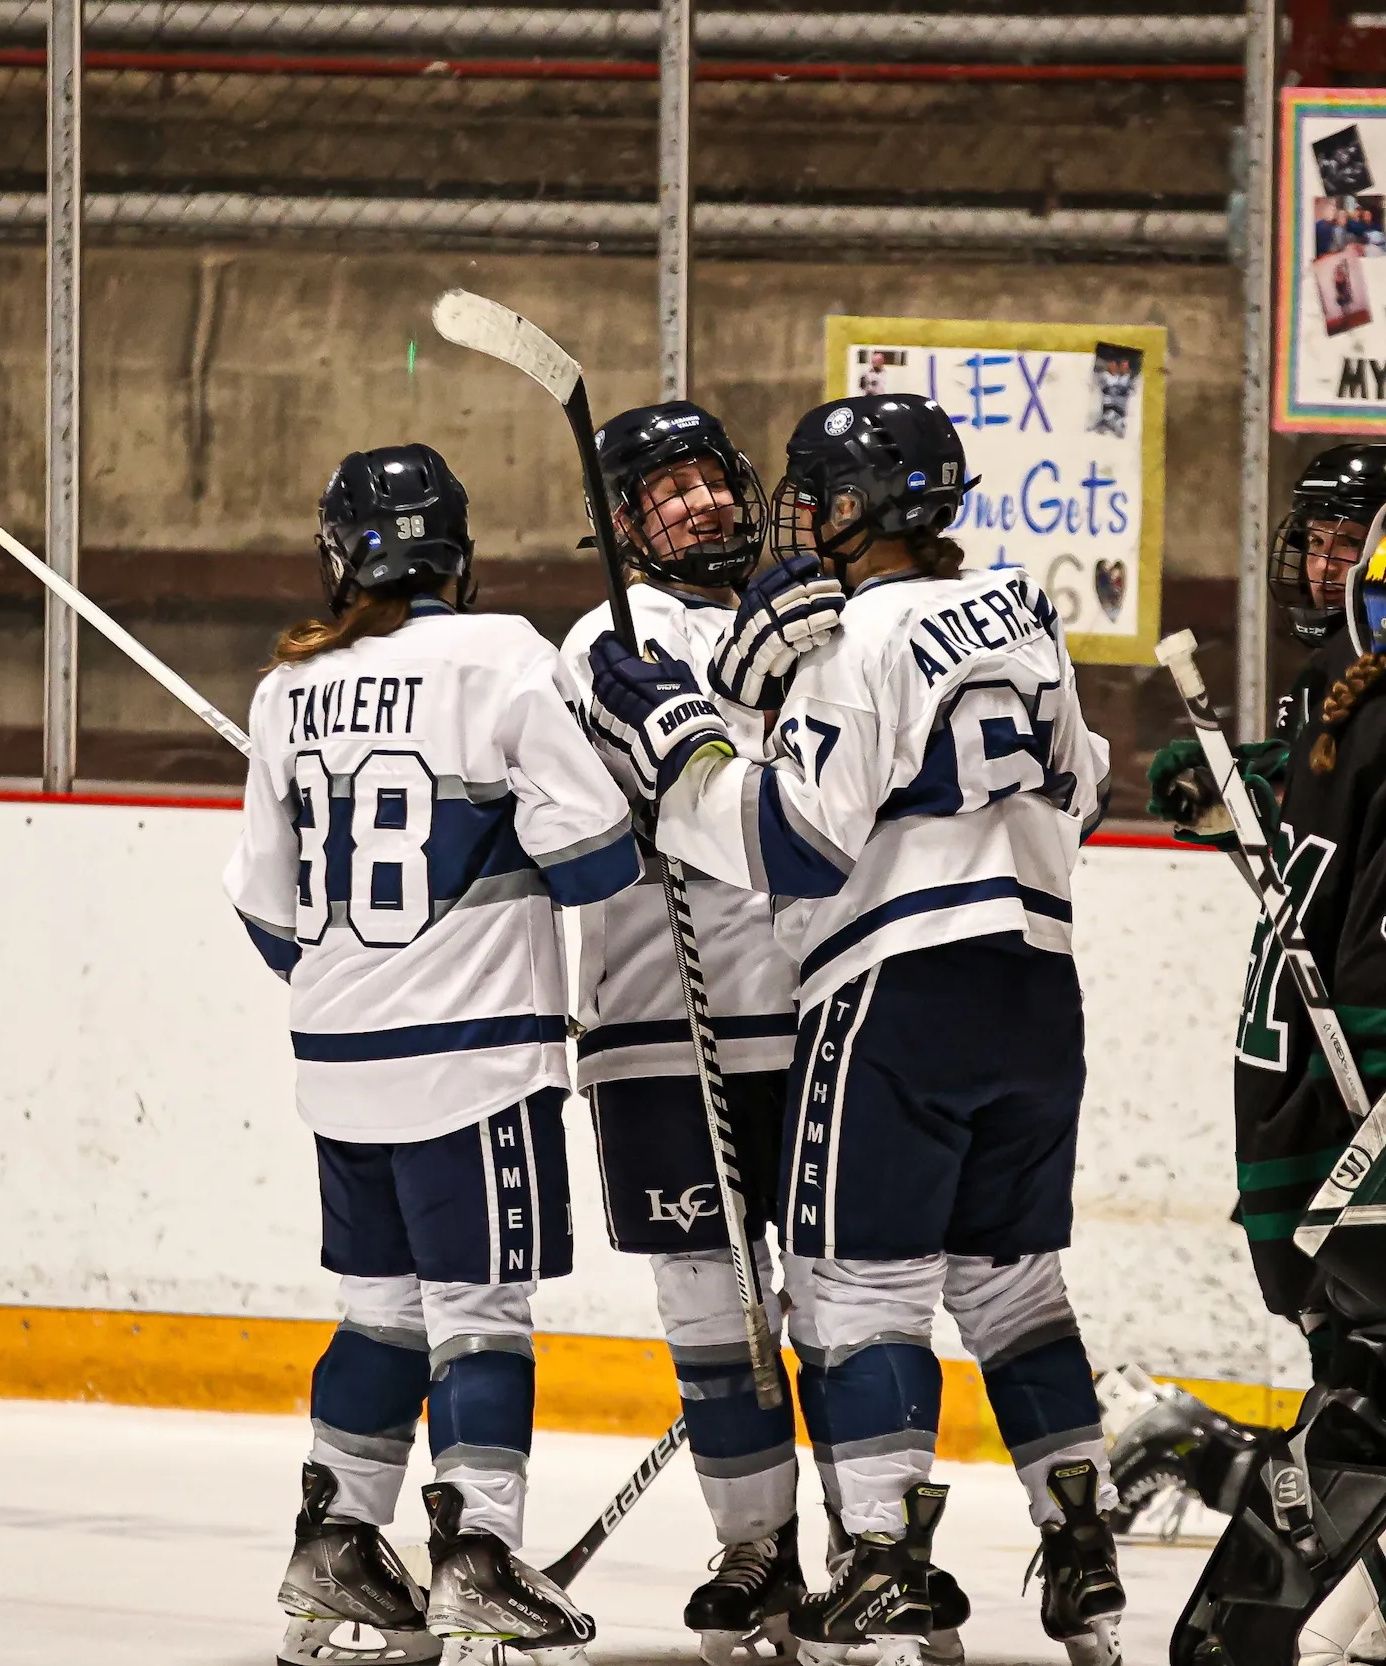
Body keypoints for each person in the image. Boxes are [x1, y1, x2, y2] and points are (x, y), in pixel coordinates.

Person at [587, 393, 1123, 1666]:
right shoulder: (1023, 613)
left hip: (896, 997)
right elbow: (1085, 787)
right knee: (1012, 1284)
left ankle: (881, 1561)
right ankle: (1082, 1539)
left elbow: (792, 841)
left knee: (860, 1290)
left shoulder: (854, 634)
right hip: (1040, 989)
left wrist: (689, 765)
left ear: (856, 507)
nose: (800, 517)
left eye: (816, 494)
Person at [224, 443, 641, 1666]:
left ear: (340, 552)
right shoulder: (502, 652)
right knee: (478, 1319)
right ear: (455, 551)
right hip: (476, 1061)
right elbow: (601, 859)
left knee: (376, 1317)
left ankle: (337, 1542)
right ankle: (477, 1558)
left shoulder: (284, 688)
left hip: (339, 1058)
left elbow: (263, 914)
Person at [560, 401, 858, 1663]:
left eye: (704, 479)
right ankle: (756, 1545)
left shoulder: (822, 611)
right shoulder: (600, 637)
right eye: (660, 491)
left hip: (815, 1009)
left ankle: (873, 1548)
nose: (695, 504)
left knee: (847, 1303)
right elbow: (673, 776)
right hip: (654, 1028)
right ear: (624, 524)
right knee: (710, 1312)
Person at [1135, 445, 1386, 1508]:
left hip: (1324, 1060)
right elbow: (1324, 805)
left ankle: (1237, 1468)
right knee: (1339, 1324)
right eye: (1317, 543)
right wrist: (1236, 786)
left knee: (1356, 1340)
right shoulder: (1325, 676)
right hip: (1297, 1064)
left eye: (1349, 544)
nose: (1328, 566)